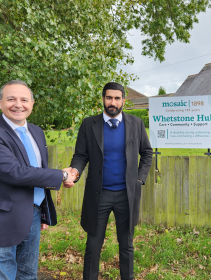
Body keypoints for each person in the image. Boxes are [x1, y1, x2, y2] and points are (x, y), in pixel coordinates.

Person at [0, 80, 76, 280]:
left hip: (32, 216)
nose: (18, 104)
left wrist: (42, 210)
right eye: (11, 99)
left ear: (32, 104)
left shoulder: (37, 132)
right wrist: (62, 175)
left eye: (24, 99)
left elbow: (37, 171)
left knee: (27, 276)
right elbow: (14, 172)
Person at [64, 82, 152, 280]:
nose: (113, 102)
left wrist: (139, 179)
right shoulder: (89, 124)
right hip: (99, 195)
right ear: (103, 99)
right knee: (93, 246)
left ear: (123, 100)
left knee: (127, 245)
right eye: (109, 98)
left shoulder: (136, 124)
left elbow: (146, 153)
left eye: (117, 98)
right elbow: (80, 155)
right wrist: (75, 172)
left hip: (126, 195)